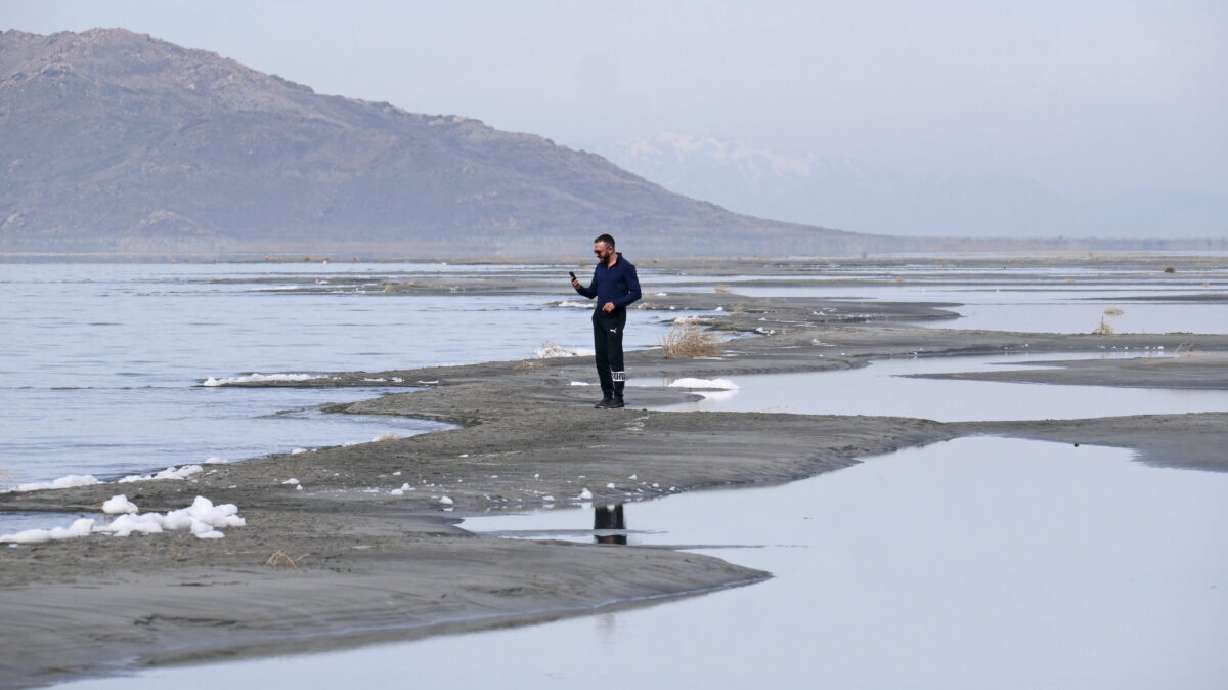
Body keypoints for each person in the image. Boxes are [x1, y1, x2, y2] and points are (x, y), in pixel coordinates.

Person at [570, 233, 641, 408]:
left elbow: (636, 293)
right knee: (601, 358)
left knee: (614, 358)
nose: (597, 255)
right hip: (599, 319)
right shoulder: (600, 268)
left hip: (615, 319)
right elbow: (592, 293)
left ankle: (619, 397)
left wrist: (615, 304)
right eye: (596, 252)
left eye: (599, 252)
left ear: (610, 248)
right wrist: (579, 288)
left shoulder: (626, 267)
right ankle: (606, 395)